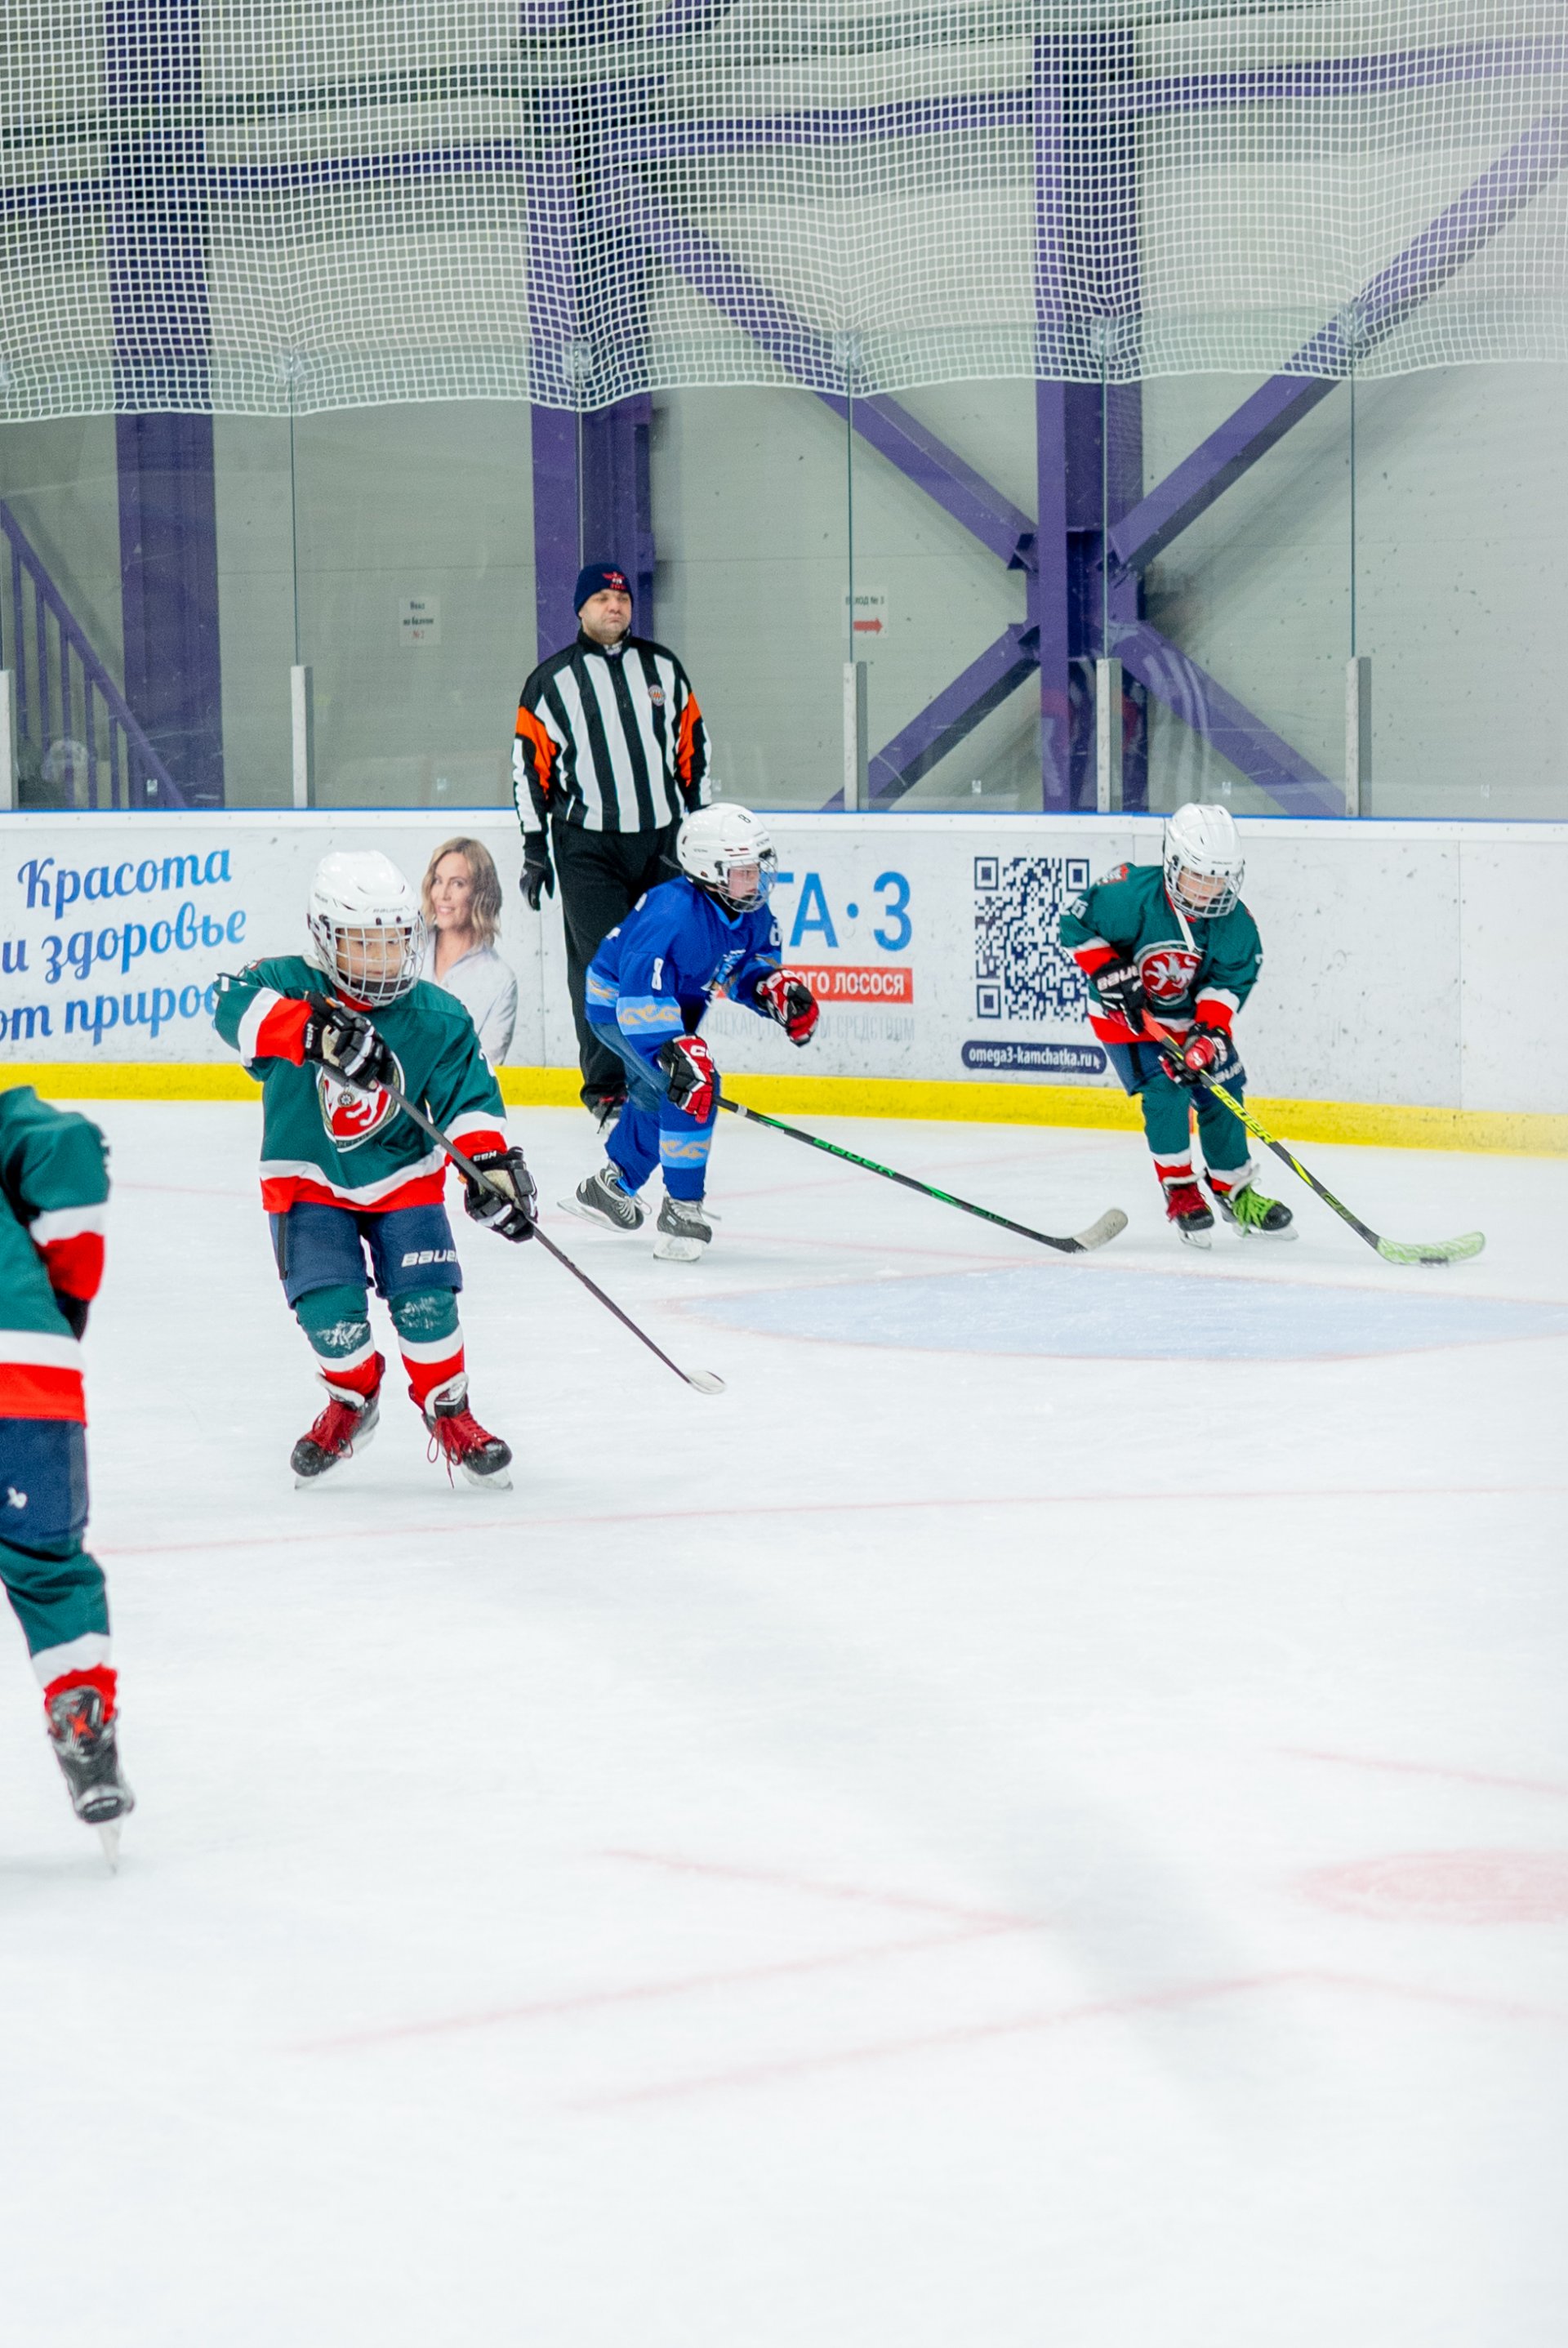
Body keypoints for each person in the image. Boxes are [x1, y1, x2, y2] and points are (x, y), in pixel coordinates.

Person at [213, 849, 538, 1486]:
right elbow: (230, 1006)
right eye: (363, 944)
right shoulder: (285, 984)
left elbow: (467, 1099)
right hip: (307, 1179)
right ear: (324, 937)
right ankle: (353, 1398)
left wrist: (489, 1165)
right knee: (329, 1315)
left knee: (427, 1305)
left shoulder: (437, 1014)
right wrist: (311, 1030)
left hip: (403, 1181)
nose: (383, 960)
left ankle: (450, 1412)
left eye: (393, 942)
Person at [567, 804, 819, 1261]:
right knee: (693, 1084)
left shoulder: (750, 913)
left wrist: (774, 992)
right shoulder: (672, 913)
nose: (757, 880)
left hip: (671, 1010)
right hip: (618, 1008)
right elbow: (637, 995)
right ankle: (682, 1209)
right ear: (710, 871)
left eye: (759, 868)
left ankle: (611, 1187)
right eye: (745, 871)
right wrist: (675, 1049)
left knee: (658, 1094)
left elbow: (740, 966)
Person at [513, 560, 711, 1125]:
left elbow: (693, 749)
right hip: (587, 848)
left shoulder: (663, 669)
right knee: (604, 965)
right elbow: (528, 771)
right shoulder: (551, 681)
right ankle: (607, 1089)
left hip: (661, 842)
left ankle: (672, 1072)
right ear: (580, 608)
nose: (614, 606)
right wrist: (535, 849)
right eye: (602, 598)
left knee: (668, 961)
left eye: (621, 598)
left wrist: (698, 828)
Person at [1058, 803, 1294, 1247]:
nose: (1209, 890)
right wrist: (1109, 970)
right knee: (1167, 1088)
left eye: (1219, 879)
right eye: (1198, 876)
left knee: (1223, 1086)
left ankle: (1235, 1191)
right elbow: (1074, 925)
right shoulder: (1129, 894)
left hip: (1191, 1019)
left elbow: (1229, 982)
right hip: (1128, 1020)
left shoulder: (1237, 924)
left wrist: (1209, 1034)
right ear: (1173, 864)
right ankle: (1180, 1189)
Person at [0, 1081, 134, 1855]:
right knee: (50, 1573)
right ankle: (82, 1715)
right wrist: (67, 1296)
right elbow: (67, 1147)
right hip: (29, 1375)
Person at [419, 835, 518, 1065]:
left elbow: (486, 1068)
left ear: (481, 893)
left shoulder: (500, 980)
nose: (443, 894)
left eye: (457, 883)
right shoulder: (409, 948)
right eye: (438, 881)